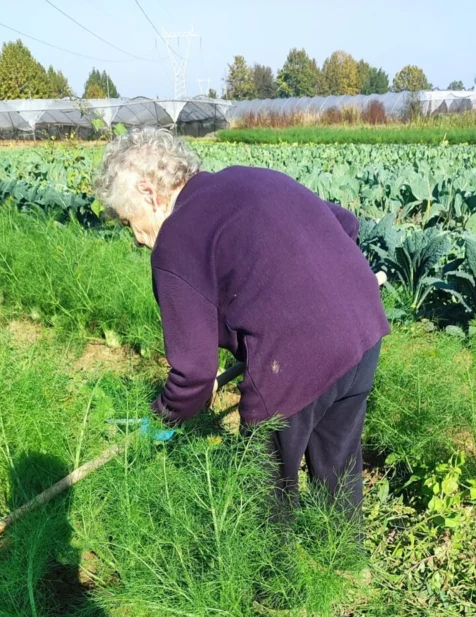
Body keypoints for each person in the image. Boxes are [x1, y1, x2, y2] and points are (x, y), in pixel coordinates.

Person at [93, 128, 390, 514]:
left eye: (127, 219)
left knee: (263, 496)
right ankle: (347, 567)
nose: (133, 236)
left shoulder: (176, 239)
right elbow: (346, 224)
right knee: (339, 468)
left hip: (294, 361)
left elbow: (194, 374)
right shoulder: (251, 176)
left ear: (150, 193)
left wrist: (161, 420)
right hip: (363, 330)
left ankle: (271, 572)